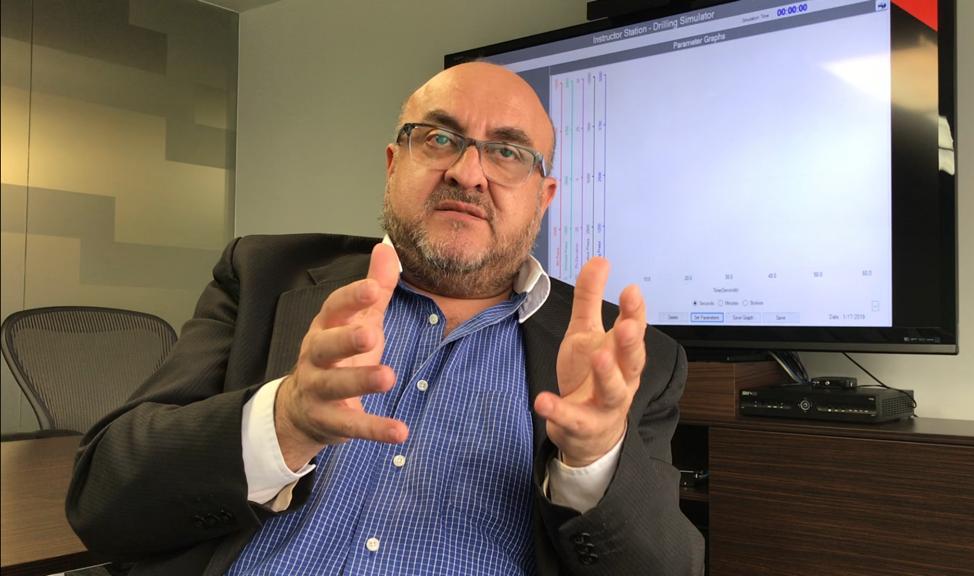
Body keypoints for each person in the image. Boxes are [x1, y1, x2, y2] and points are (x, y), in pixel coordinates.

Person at [66, 62, 705, 575]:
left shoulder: (633, 361)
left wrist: (592, 462)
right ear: (395, 164)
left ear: (544, 197)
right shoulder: (264, 276)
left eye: (508, 152)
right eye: (440, 138)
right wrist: (283, 421)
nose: (468, 173)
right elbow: (102, 498)